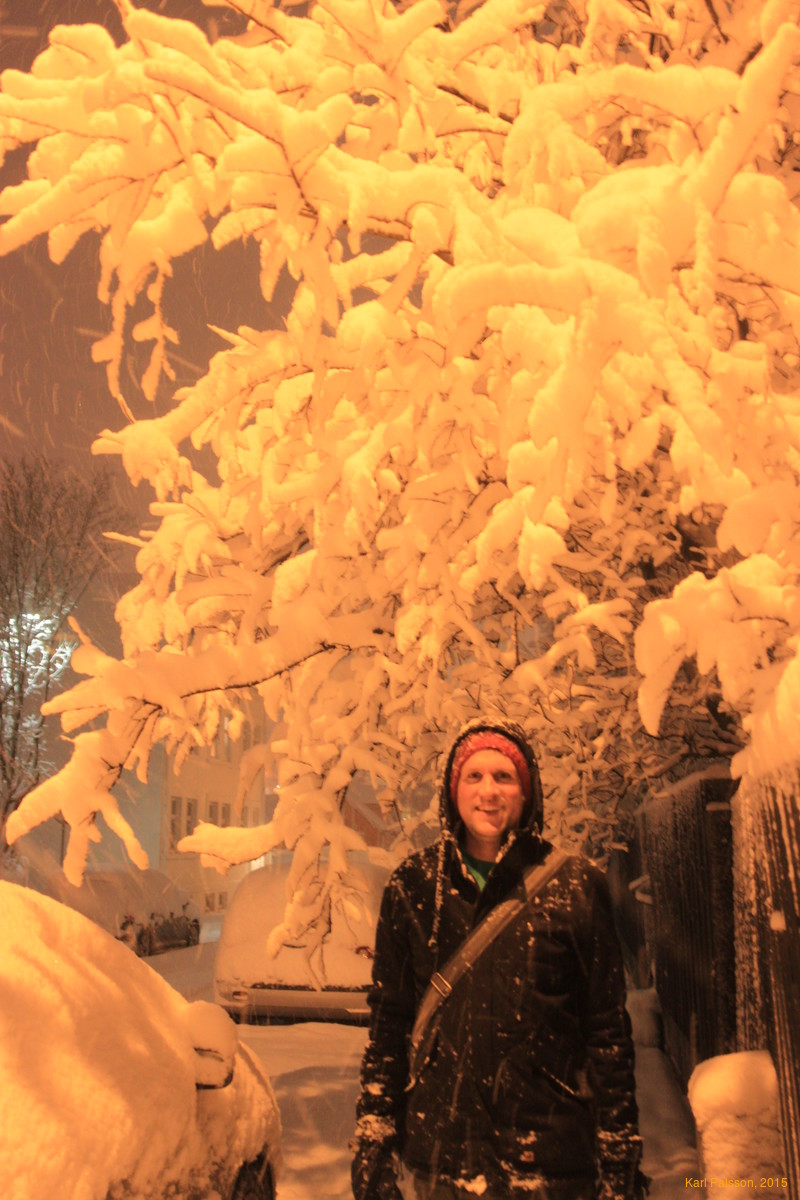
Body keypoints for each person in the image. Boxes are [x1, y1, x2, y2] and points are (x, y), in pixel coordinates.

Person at [351, 718, 643, 1200]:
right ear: (453, 791)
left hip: (551, 1162)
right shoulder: (414, 887)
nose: (489, 791)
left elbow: (607, 1031)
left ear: (527, 794)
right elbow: (389, 1023)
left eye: (504, 777)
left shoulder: (574, 886)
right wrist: (375, 1137)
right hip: (442, 1159)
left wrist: (619, 1150)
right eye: (474, 776)